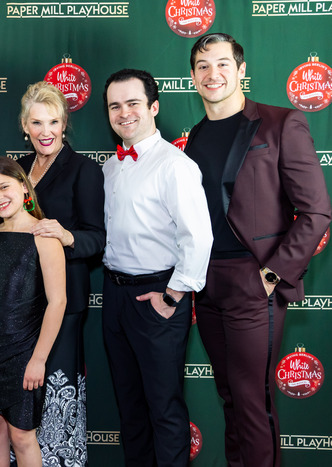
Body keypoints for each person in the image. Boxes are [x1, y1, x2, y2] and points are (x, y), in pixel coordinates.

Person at [185, 33, 332, 467]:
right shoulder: (194, 136)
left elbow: (317, 212)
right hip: (208, 287)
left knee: (252, 403)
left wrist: (272, 274)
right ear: (193, 76)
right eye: (203, 66)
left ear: (242, 70)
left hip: (255, 283)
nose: (213, 74)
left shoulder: (280, 123)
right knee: (230, 399)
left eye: (223, 64)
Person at [101, 68, 213, 467]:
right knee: (129, 410)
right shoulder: (110, 168)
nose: (124, 113)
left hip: (157, 297)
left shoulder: (175, 165)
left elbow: (198, 237)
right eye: (115, 105)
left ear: (154, 107)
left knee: (163, 408)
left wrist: (173, 295)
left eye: (133, 103)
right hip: (115, 296)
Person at [16, 81, 105, 465]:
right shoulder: (16, 170)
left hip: (63, 302)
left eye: (53, 122)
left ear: (64, 125)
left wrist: (67, 235)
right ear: (24, 126)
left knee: (56, 391)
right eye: (37, 123)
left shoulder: (83, 169)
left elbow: (97, 238)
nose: (45, 131)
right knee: (20, 395)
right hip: (17, 300)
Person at [0, 157, 66, 467]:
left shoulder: (45, 237)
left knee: (22, 435)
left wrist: (39, 359)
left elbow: (57, 302)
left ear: (23, 187)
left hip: (24, 352)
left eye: (4, 187)